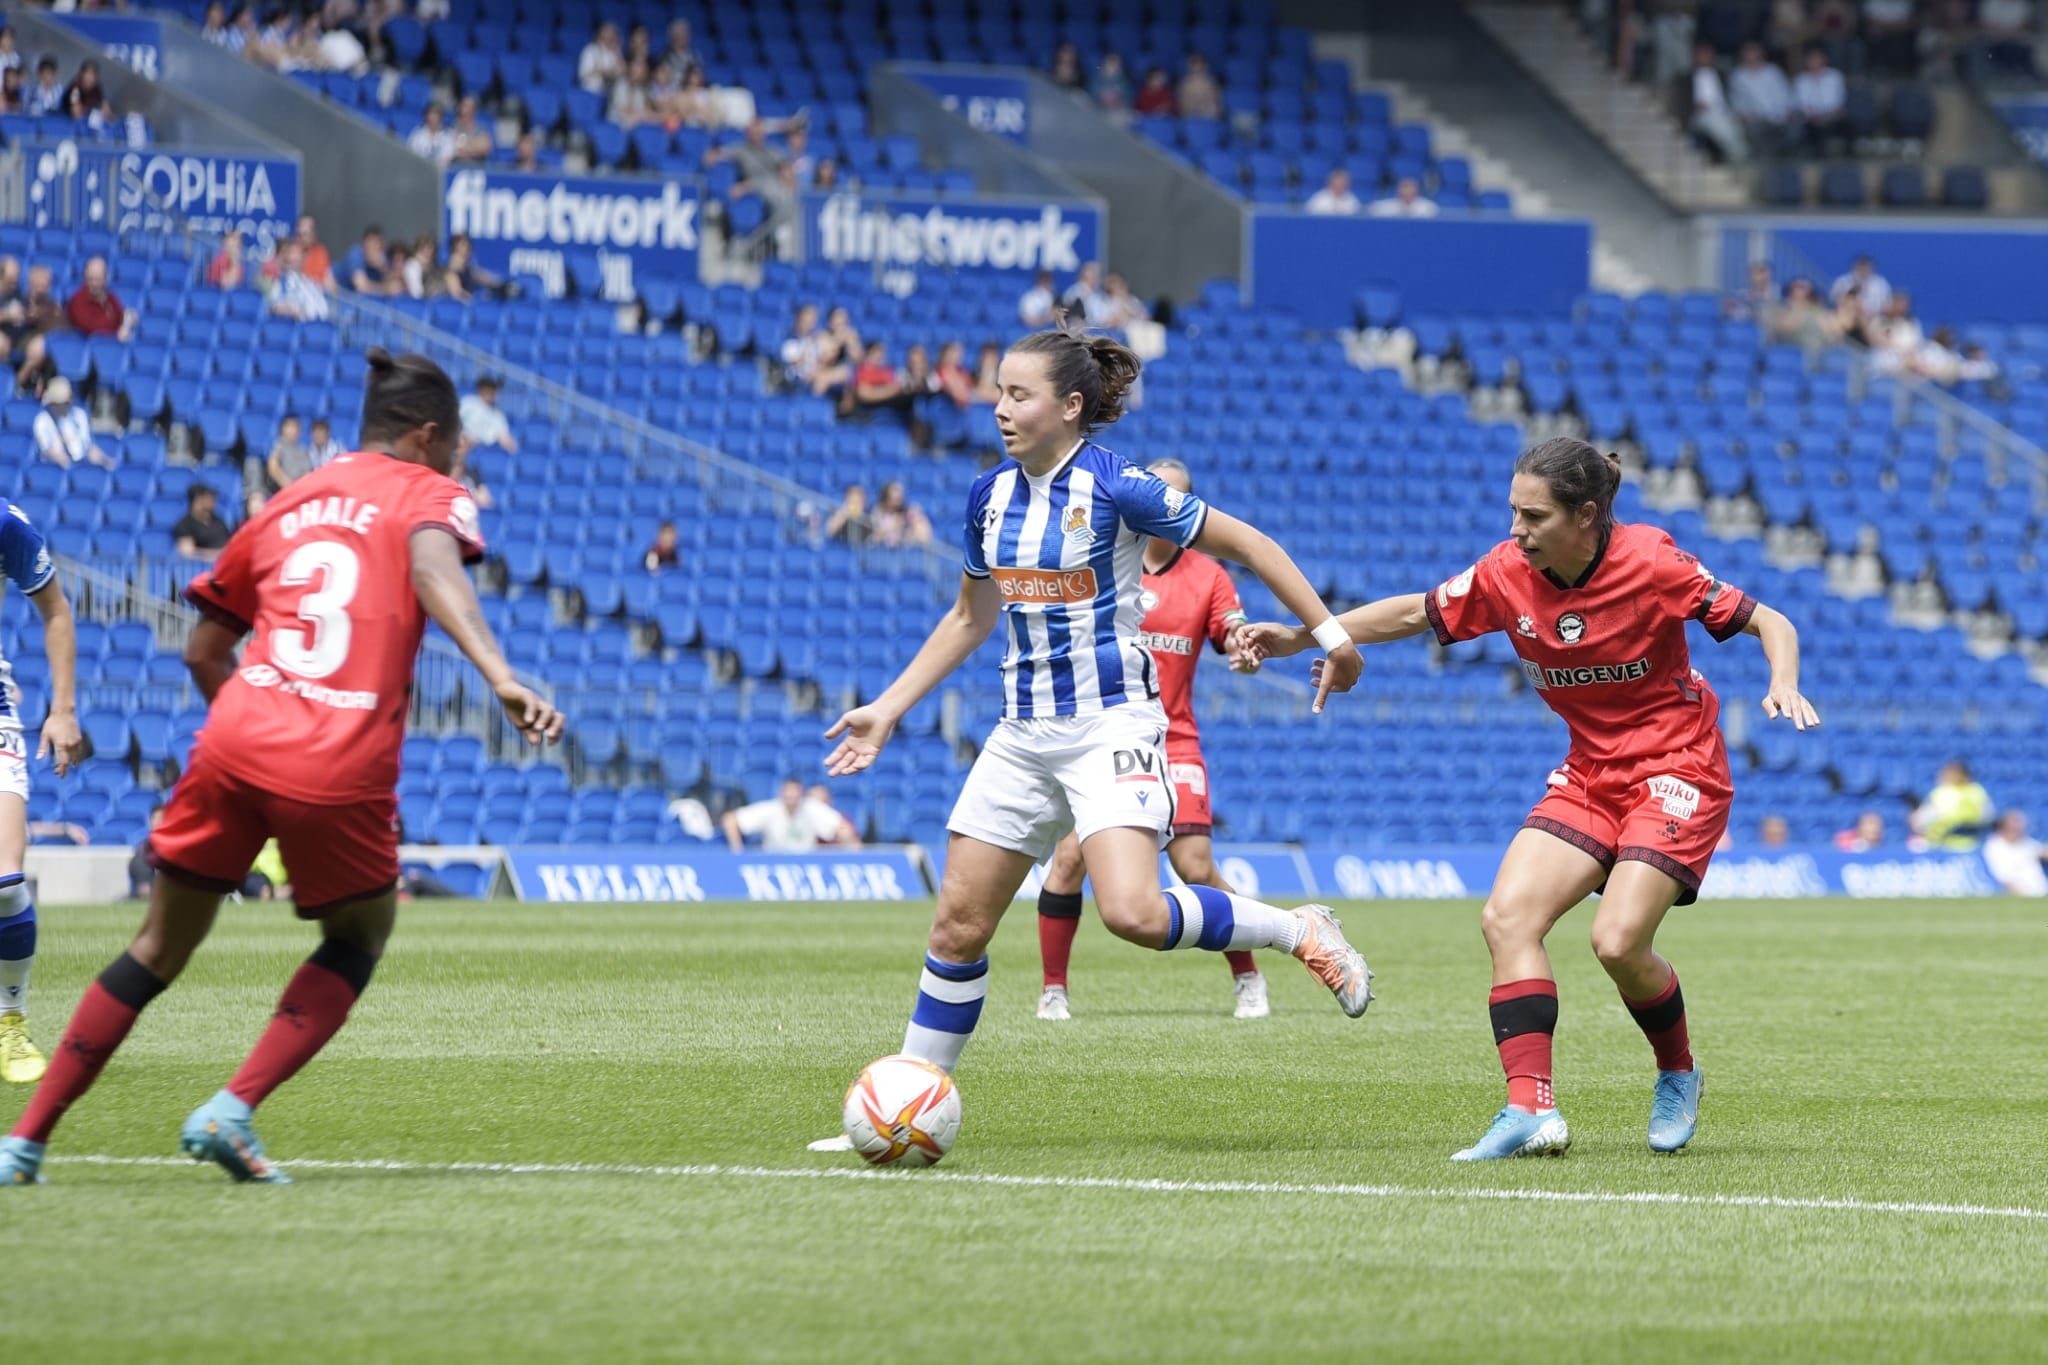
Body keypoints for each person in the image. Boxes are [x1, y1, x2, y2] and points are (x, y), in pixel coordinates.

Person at [0, 348, 564, 1188]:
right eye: (459, 451)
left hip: (235, 734)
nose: (461, 467)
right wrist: (501, 675)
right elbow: (431, 565)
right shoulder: (428, 493)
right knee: (360, 933)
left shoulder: (289, 499)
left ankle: (24, 1143)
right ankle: (232, 1106)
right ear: (429, 435)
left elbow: (203, 649)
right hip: (338, 753)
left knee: (157, 945)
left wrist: (256, 718)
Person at [806, 326, 1370, 1156]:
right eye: (997, 391)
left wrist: (1331, 637)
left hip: (1113, 724)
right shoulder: (987, 497)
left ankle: (1300, 931)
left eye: (1018, 395)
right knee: (958, 926)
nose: (999, 408)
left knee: (1135, 914)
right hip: (1022, 733)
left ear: (1070, 407)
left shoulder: (1119, 487)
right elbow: (971, 616)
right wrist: (887, 707)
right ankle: (906, 1109)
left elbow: (1247, 543)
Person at [1245, 438, 1819, 1161]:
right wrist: (1306, 637)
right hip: (1590, 773)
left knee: (1616, 941)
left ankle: (1678, 1069)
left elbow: (1773, 621)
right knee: (1507, 916)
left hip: (1678, 766)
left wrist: (1783, 680)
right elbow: (1416, 613)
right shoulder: (1507, 572)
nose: (1516, 528)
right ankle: (1530, 1109)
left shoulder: (1650, 562)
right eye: (1513, 510)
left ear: (1586, 515)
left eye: (1533, 515)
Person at [1035, 457, 1272, 1023]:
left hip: (1174, 742)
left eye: (1175, 500)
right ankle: (1052, 990)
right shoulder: (1105, 558)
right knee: (1068, 861)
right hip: (1103, 738)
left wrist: (1243, 648)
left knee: (1194, 866)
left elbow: (1231, 631)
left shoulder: (1209, 575)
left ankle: (1248, 976)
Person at [0, 502, 86, 1085]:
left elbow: (55, 610)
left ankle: (11, 1022)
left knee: (5, 882)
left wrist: (63, 709)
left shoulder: (6, 523)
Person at [721, 777, 846, 853]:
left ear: (801, 794)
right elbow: (730, 820)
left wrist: (855, 857)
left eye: (795, 791)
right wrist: (738, 853)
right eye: (788, 791)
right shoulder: (770, 809)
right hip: (773, 864)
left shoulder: (811, 808)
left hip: (807, 863)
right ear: (781, 793)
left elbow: (842, 827)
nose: (791, 795)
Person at [32, 378, 113, 470]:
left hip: (81, 466)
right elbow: (48, 451)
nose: (62, 406)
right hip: (54, 468)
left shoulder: (80, 415)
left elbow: (88, 446)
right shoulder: (42, 420)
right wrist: (68, 466)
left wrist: (104, 460)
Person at [1912, 760, 1992, 851]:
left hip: (1943, 845)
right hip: (1971, 845)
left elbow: (1921, 821)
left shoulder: (1943, 792)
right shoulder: (1978, 791)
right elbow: (1987, 817)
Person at [1729, 41, 1791, 155]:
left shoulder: (1774, 71)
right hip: (1755, 120)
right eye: (1748, 53)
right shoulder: (1738, 76)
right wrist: (1747, 117)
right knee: (1753, 131)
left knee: (1794, 130)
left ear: (1761, 54)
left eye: (1754, 52)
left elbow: (1786, 96)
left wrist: (1785, 114)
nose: (1752, 56)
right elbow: (1737, 103)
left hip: (1779, 118)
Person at [1688, 43, 1748, 162]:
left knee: (1735, 124)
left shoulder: (1720, 74)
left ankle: (1738, 156)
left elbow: (1726, 98)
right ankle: (1737, 155)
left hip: (1723, 112)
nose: (1705, 57)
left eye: (1708, 54)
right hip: (1701, 116)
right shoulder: (1689, 77)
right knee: (1720, 125)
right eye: (1702, 54)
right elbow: (1693, 103)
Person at [66, 256, 135, 341]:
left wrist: (128, 320)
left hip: (113, 345)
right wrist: (116, 334)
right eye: (90, 279)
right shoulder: (77, 301)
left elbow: (119, 317)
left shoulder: (111, 298)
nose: (94, 284)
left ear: (105, 278)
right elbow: (92, 329)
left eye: (98, 279)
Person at [1982, 810, 2047, 897]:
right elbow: (2003, 878)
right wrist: (2021, 894)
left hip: (2041, 891)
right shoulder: (1994, 846)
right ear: (2003, 828)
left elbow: (2043, 851)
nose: (2018, 830)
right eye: (2014, 828)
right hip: (2020, 894)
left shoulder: (2025, 842)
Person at [173, 484, 233, 562]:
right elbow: (187, 553)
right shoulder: (185, 524)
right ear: (197, 500)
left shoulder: (219, 521)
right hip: (203, 569)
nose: (214, 500)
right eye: (209, 497)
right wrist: (218, 554)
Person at [458, 375, 515, 453]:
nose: (494, 394)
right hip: (462, 442)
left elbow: (505, 438)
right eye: (491, 390)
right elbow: (454, 420)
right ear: (481, 390)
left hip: (481, 449)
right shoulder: (468, 403)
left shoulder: (498, 414)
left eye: (494, 391)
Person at [870, 480, 932, 549]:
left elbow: (924, 535)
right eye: (893, 497)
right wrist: (896, 525)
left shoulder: (908, 512)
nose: (898, 499)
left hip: (903, 551)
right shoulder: (877, 511)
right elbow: (875, 536)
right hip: (882, 551)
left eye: (899, 498)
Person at [1177, 51, 1222, 119]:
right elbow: (1182, 105)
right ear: (1190, 67)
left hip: (1208, 115)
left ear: (1205, 67)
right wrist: (1195, 109)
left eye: (1200, 66)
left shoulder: (1211, 83)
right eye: (1195, 66)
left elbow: (1217, 104)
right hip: (1190, 116)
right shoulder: (1184, 84)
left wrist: (1208, 108)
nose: (1198, 69)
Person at [1368, 177, 1440, 218]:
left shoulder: (1427, 207)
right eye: (1404, 187)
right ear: (1398, 190)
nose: (1407, 191)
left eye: (1409, 187)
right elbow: (1372, 209)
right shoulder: (1387, 206)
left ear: (1416, 191)